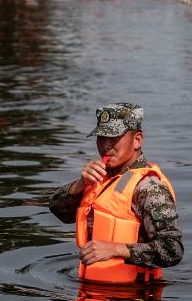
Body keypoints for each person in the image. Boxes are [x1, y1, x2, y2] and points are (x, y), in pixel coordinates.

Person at [49, 103, 183, 284]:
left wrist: (116, 249)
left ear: (137, 140)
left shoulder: (149, 187)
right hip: (92, 294)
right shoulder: (98, 177)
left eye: (114, 137)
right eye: (101, 137)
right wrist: (80, 184)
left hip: (134, 300)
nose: (106, 145)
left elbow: (172, 250)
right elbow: (59, 211)